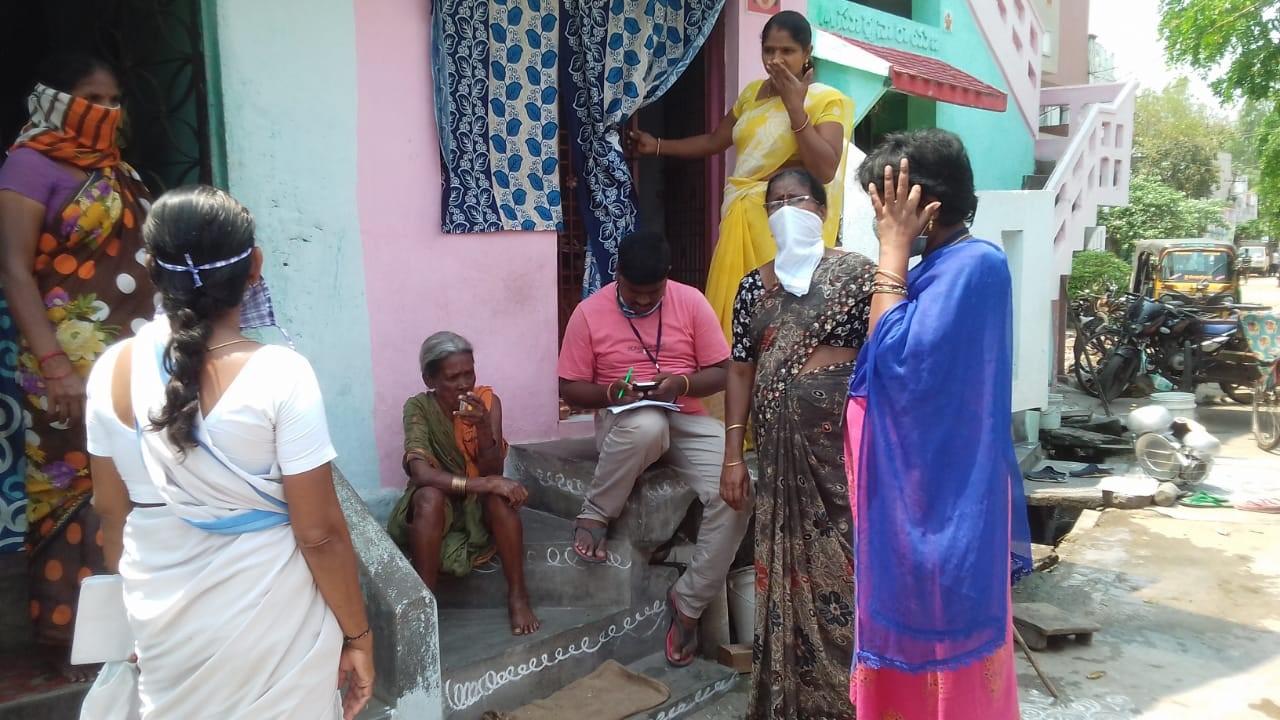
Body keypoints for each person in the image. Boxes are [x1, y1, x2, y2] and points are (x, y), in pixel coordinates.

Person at [85, 185, 373, 718]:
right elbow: (320, 533)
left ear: (152, 270)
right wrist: (358, 635)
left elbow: (109, 509)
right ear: (255, 265)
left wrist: (131, 606)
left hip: (162, 617)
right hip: (276, 626)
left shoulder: (110, 371)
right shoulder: (282, 373)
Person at [843, 130, 1032, 719]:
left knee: (946, 639)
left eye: (884, 205)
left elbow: (894, 356)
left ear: (920, 205)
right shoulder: (941, 267)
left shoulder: (974, 265)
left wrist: (892, 251)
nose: (878, 219)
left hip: (946, 505)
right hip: (911, 499)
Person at [0, 53, 156, 679]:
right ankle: (69, 639)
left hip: (129, 369)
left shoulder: (118, 171)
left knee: (130, 495)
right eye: (94, 98)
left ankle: (130, 636)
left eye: (115, 101)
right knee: (71, 495)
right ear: (58, 98)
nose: (107, 112)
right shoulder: (28, 164)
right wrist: (55, 366)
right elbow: (14, 271)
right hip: (61, 370)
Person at [719, 168, 874, 719]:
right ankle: (793, 699)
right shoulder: (752, 288)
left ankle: (855, 697)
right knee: (784, 566)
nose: (786, 210)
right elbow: (741, 369)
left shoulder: (860, 276)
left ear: (822, 208)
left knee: (849, 560)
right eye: (775, 203)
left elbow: (884, 356)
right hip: (778, 452)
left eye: (797, 199)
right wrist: (733, 454)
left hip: (841, 454)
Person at [558, 230, 750, 667]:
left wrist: (681, 383)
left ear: (668, 277)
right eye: (634, 293)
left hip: (684, 414)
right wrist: (610, 392)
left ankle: (689, 603)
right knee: (648, 425)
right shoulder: (589, 312)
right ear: (617, 274)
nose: (644, 302)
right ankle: (596, 511)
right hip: (625, 421)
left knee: (736, 490)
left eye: (653, 293)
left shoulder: (690, 302)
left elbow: (723, 371)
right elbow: (569, 386)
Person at [629, 11, 855, 340]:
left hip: (781, 225)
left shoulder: (825, 99)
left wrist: (795, 107)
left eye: (787, 51)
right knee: (736, 313)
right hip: (740, 215)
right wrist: (658, 146)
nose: (776, 60)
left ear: (807, 52)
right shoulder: (751, 95)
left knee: (774, 318)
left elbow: (825, 168)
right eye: (769, 50)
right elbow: (714, 141)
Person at [386, 331, 540, 636]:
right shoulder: (418, 408)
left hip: (477, 504)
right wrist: (485, 484)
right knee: (429, 497)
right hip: (440, 500)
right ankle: (425, 603)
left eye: (469, 373)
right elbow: (421, 473)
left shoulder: (488, 402)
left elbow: (493, 468)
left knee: (500, 498)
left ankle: (518, 595)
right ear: (429, 379)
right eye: (452, 377)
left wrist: (483, 426)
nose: (464, 384)